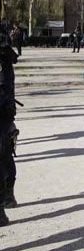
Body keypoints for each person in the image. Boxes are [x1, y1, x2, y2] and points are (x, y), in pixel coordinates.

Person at [0, 28, 18, 227]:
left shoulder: (3, 52)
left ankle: (7, 196)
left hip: (3, 108)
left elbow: (6, 84)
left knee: (3, 153)